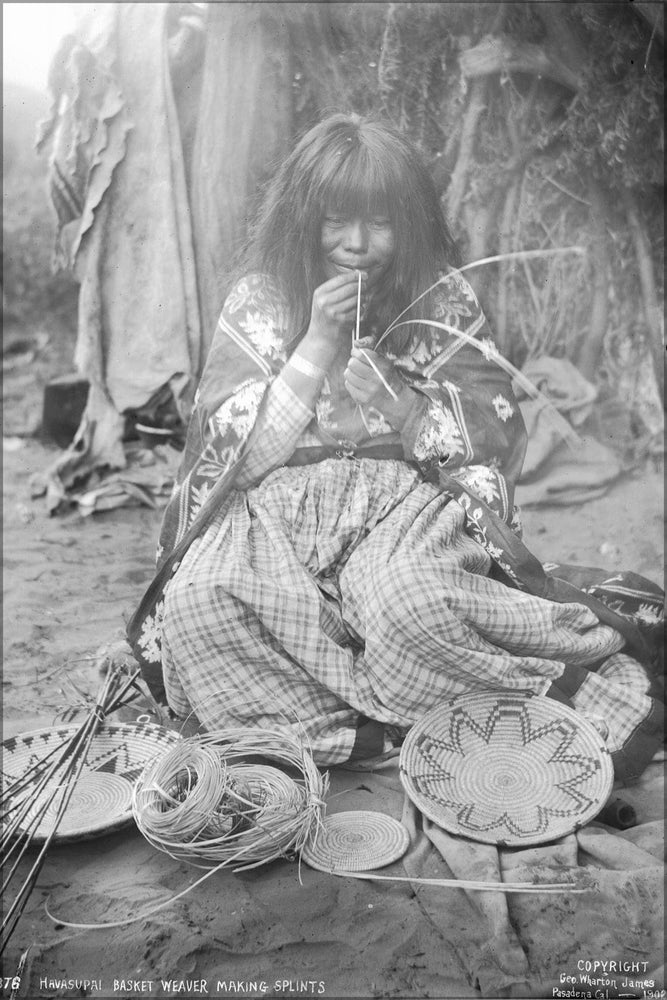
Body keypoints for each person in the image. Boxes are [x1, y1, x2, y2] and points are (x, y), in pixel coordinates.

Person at [128, 113, 663, 778]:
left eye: (379, 222)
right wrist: (315, 345)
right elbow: (232, 457)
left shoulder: (438, 297)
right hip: (276, 514)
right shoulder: (259, 301)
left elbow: (490, 431)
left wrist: (403, 405)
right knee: (201, 605)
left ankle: (364, 724)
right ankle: (374, 734)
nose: (356, 243)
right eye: (335, 220)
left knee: (409, 605)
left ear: (406, 222)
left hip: (402, 509)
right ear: (301, 219)